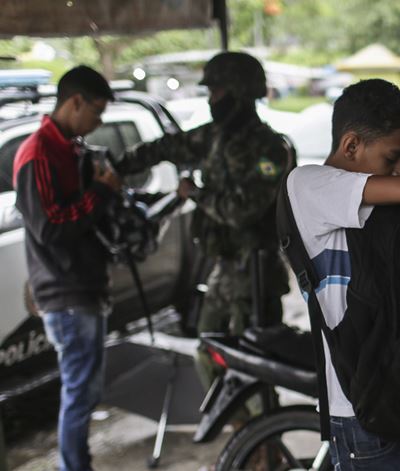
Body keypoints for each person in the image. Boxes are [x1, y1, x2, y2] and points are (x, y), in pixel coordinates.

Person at [287, 79, 400, 470]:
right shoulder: (307, 184)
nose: (399, 170)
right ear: (351, 146)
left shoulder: (373, 206)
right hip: (360, 409)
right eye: (392, 158)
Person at [114, 51, 293, 396]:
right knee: (208, 352)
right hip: (225, 269)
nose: (211, 101)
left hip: (256, 272)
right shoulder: (214, 137)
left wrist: (196, 193)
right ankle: (244, 432)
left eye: (217, 92)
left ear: (239, 93)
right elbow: (167, 147)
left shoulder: (271, 149)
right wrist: (116, 168)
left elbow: (243, 210)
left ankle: (263, 443)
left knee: (255, 365)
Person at [13, 65, 120, 471]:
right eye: (96, 111)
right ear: (75, 101)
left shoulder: (69, 149)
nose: (99, 121)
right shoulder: (38, 152)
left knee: (86, 391)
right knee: (80, 392)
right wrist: (100, 193)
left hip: (84, 288)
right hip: (65, 293)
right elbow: (51, 227)